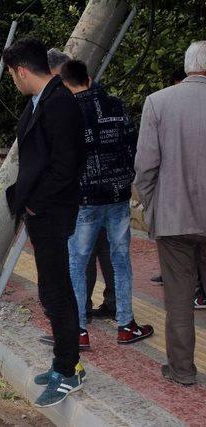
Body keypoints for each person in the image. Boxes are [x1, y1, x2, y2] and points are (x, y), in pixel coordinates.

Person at [2, 38, 85, 407]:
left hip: (51, 211)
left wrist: (34, 204)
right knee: (53, 290)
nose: (12, 82)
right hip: (41, 211)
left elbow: (67, 166)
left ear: (21, 71)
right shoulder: (41, 99)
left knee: (57, 292)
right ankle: (63, 364)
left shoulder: (60, 102)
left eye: (11, 75)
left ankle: (68, 372)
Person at [60, 59, 153, 349]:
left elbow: (63, 158)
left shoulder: (67, 111)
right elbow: (131, 145)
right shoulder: (117, 105)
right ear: (88, 78)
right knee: (121, 259)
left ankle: (79, 331)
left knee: (77, 262)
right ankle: (126, 325)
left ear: (65, 83)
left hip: (85, 198)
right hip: (117, 196)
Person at [134, 41, 206, 386]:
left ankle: (182, 371)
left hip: (174, 218)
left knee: (179, 299)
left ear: (187, 65)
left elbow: (146, 166)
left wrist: (151, 208)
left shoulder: (158, 102)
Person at [47, 48, 117, 321]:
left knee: (81, 253)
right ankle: (115, 307)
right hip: (111, 189)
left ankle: (80, 315)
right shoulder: (108, 100)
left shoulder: (70, 104)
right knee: (107, 249)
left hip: (84, 190)